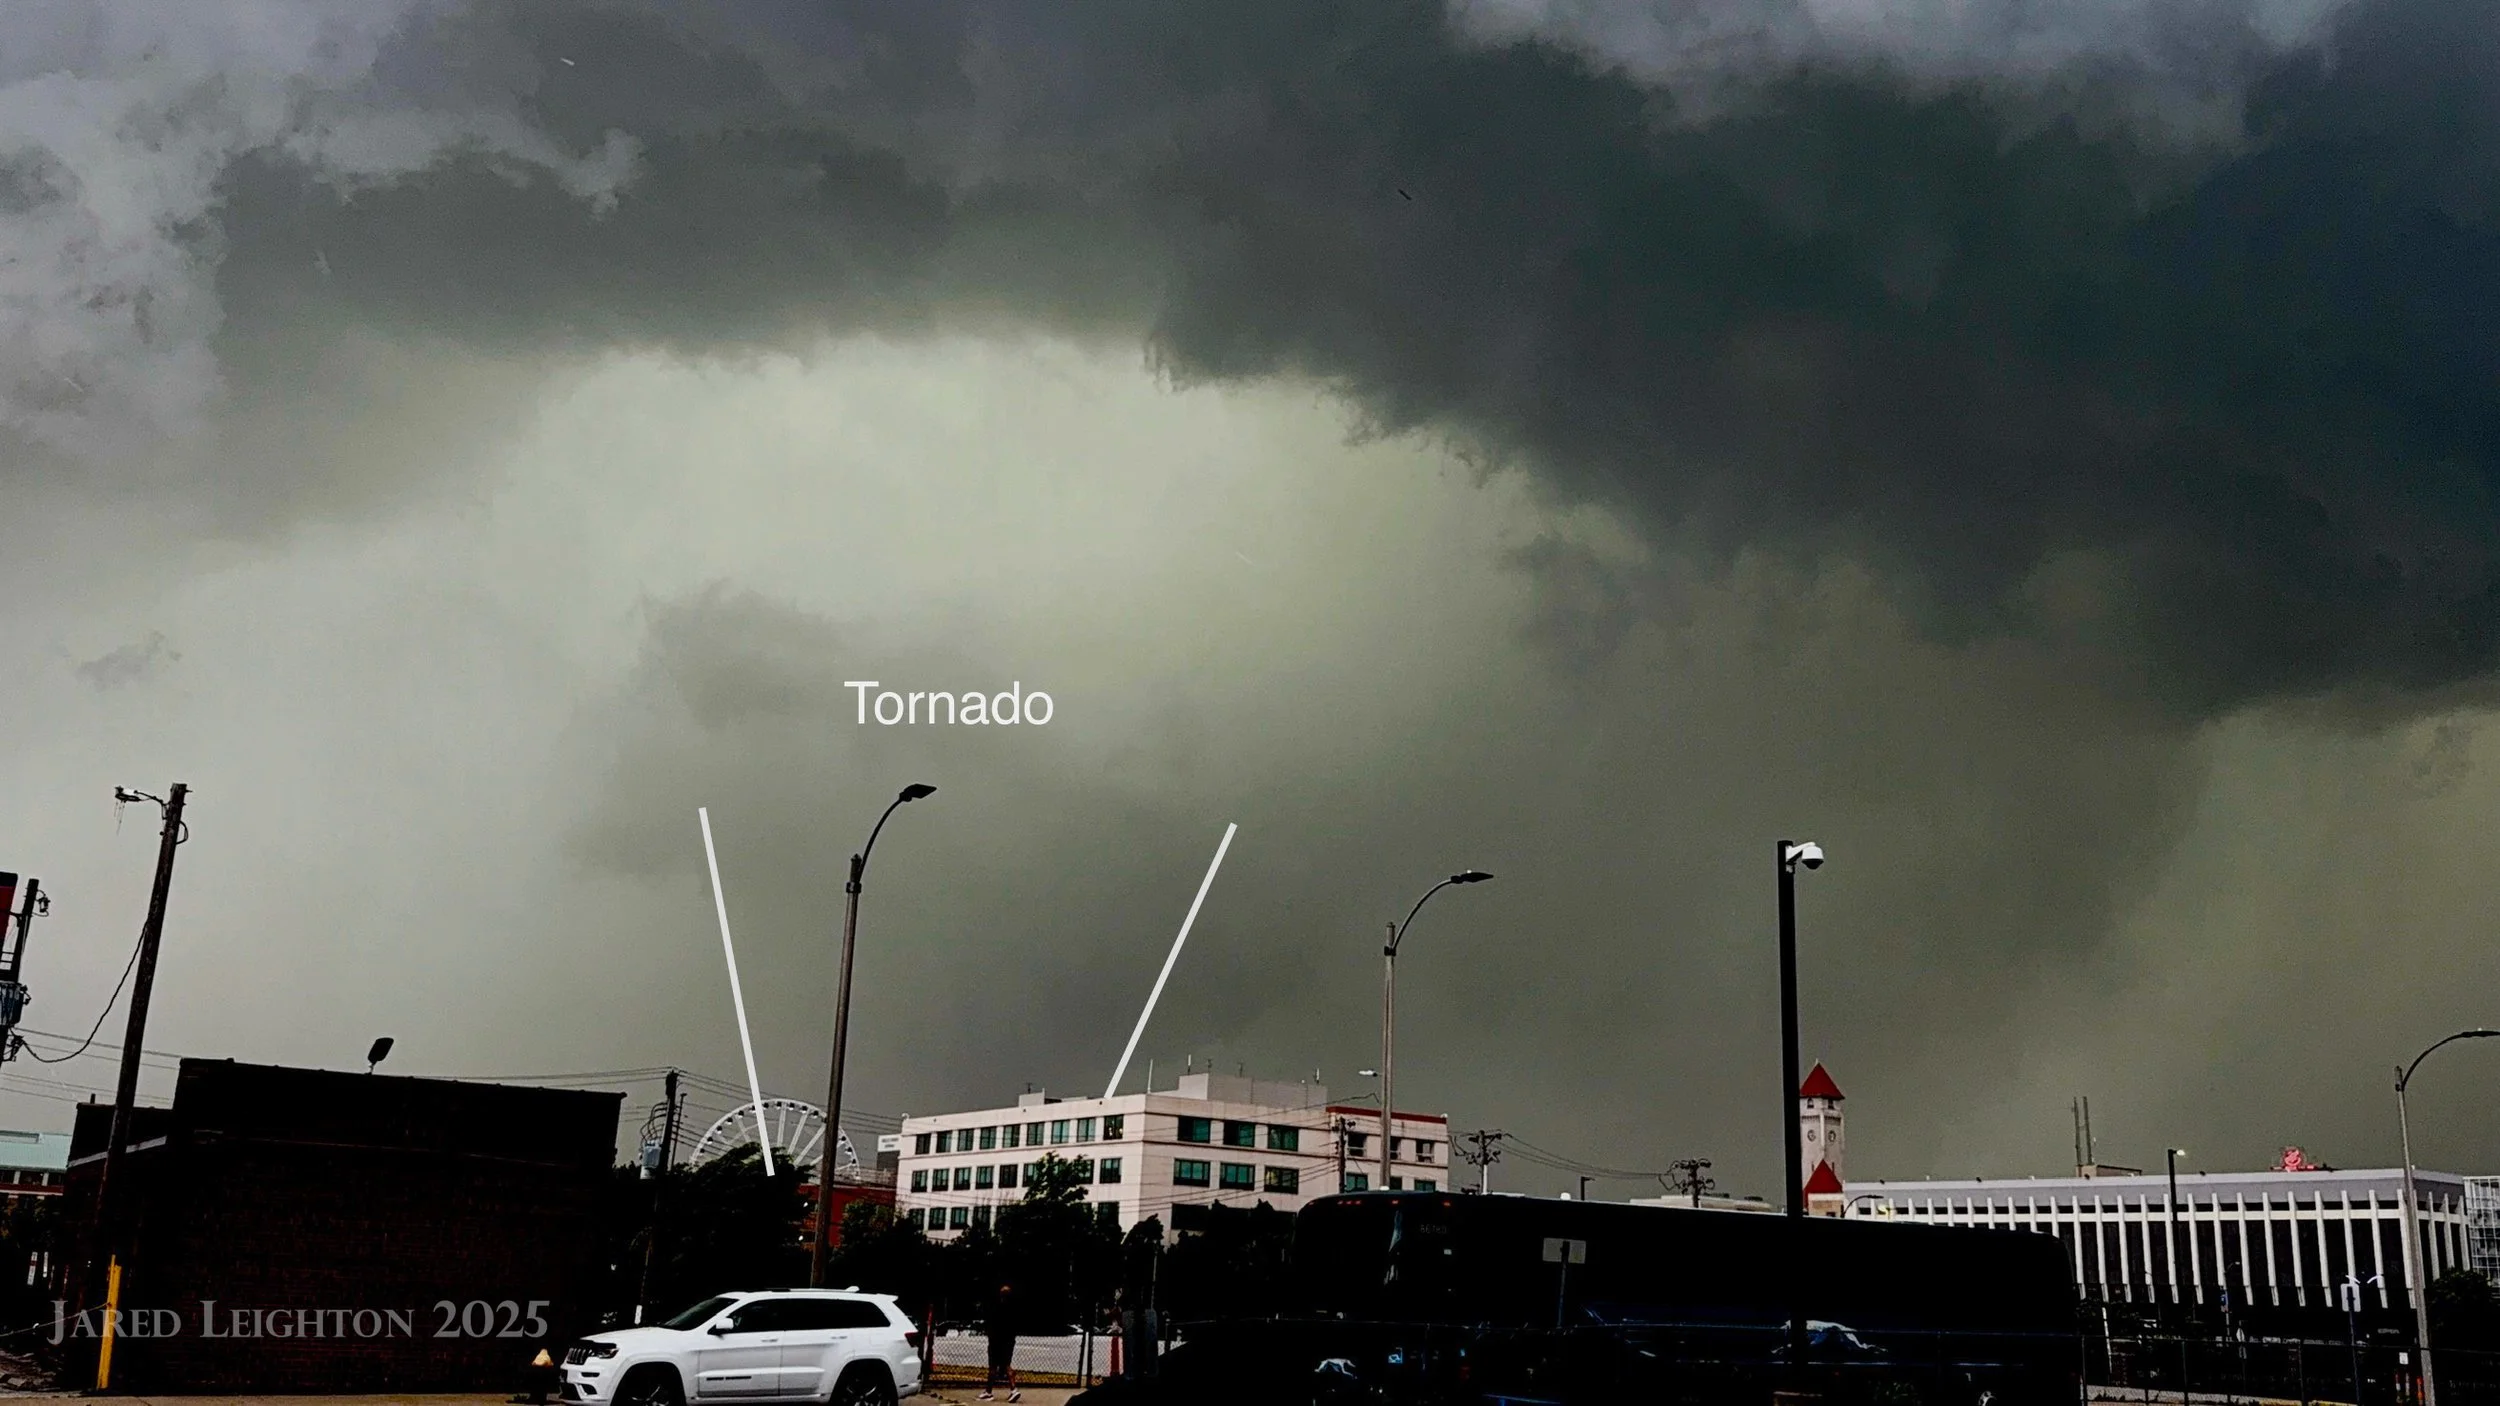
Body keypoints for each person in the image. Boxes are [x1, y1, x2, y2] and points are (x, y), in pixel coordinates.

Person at [980, 1281, 1019, 1402]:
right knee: (1006, 1365)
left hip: (996, 1341)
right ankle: (1013, 1389)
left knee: (993, 1366)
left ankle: (989, 1392)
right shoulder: (1013, 1310)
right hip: (1009, 1341)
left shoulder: (997, 1308)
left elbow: (993, 1325)